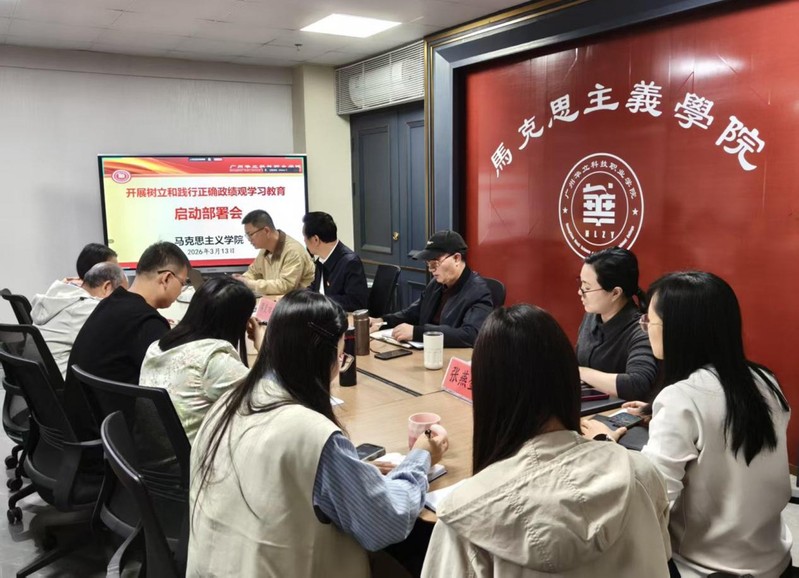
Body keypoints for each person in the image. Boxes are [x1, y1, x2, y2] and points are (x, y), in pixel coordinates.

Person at [188, 290, 448, 577]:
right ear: (321, 357)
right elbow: (388, 521)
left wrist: (350, 471)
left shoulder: (227, 403)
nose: (339, 364)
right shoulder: (310, 434)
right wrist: (421, 456)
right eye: (341, 355)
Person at [422, 304, 671, 578]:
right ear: (568, 377)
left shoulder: (465, 515)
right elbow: (662, 556)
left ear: (487, 392)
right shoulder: (642, 474)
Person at [583, 272, 792, 577]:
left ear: (678, 331)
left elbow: (650, 500)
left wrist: (606, 445)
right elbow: (721, 424)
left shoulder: (682, 399)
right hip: (771, 557)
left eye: (649, 321)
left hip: (704, 566)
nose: (645, 328)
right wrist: (656, 411)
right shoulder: (764, 380)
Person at [65, 241, 190, 439]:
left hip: (85, 428)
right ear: (166, 278)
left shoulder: (111, 303)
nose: (181, 290)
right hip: (115, 439)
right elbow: (175, 385)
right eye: (183, 283)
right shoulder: (146, 321)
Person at [140, 277, 261, 443]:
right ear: (237, 322)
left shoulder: (157, 347)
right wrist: (263, 347)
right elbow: (265, 398)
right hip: (195, 455)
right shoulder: (213, 361)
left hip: (156, 449)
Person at [370, 230, 493, 347]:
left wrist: (418, 333)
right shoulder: (436, 284)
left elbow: (470, 334)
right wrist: (382, 321)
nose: (431, 269)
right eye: (429, 264)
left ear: (457, 258)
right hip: (425, 350)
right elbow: (413, 312)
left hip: (449, 355)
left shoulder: (478, 291)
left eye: (435, 263)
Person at [576, 246, 657, 400]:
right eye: (581, 284)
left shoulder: (641, 330)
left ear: (615, 293)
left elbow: (637, 384)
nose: (580, 292)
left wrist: (581, 372)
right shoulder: (592, 315)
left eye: (587, 288)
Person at [31, 262, 128, 379]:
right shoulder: (87, 308)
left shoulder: (60, 298)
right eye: (123, 295)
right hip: (64, 384)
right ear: (107, 287)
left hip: (39, 380)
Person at [234, 209, 315, 295]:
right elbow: (253, 273)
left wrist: (248, 283)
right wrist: (240, 279)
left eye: (250, 234)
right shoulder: (265, 250)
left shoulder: (293, 251)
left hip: (298, 301)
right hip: (276, 301)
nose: (249, 239)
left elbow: (285, 286)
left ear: (266, 231)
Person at [302, 211, 368, 311]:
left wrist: (320, 300)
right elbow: (315, 288)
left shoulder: (350, 262)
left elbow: (356, 302)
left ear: (316, 239)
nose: (304, 241)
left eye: (305, 237)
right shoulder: (321, 260)